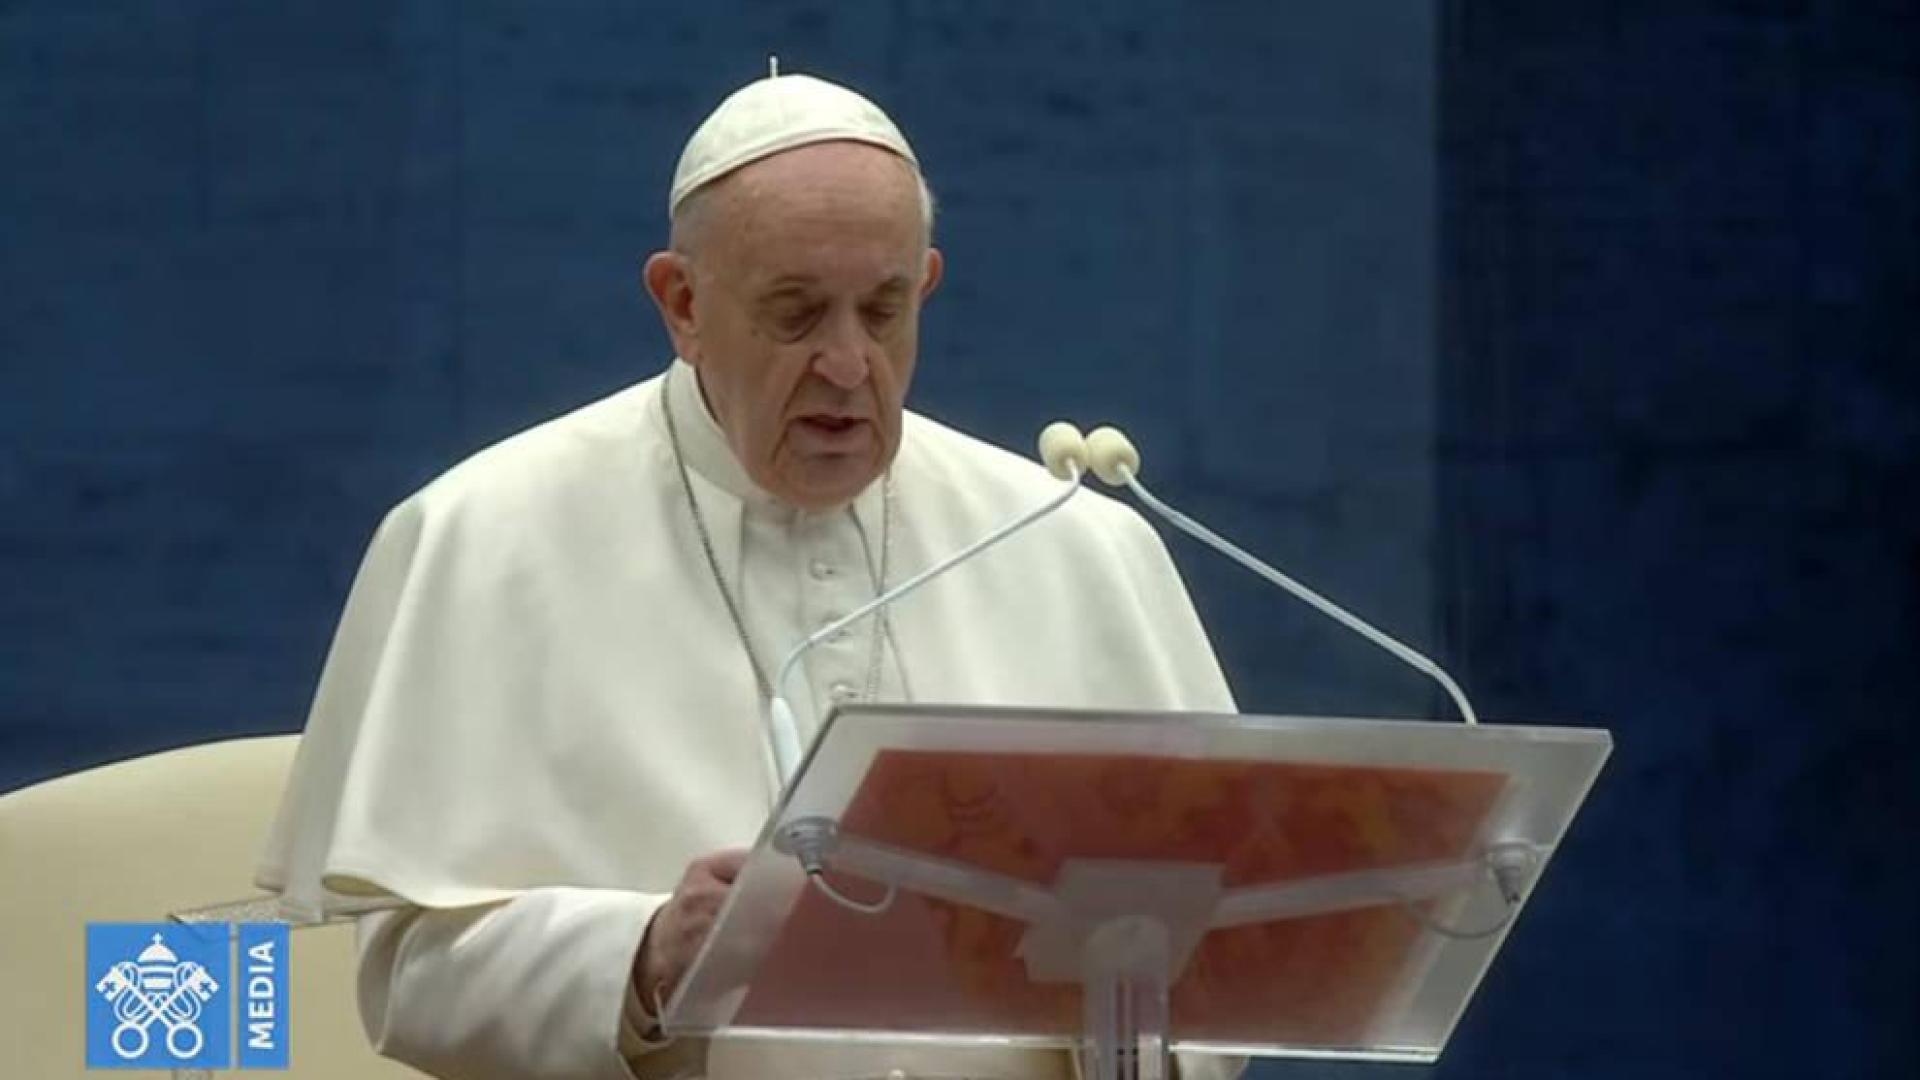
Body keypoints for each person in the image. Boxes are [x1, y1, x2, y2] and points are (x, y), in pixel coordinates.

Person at [257, 68, 1240, 1080]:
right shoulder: (482, 537)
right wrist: (642, 960)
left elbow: (1236, 954)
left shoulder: (1067, 541)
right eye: (797, 313)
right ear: (682, 303)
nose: (850, 365)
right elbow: (411, 977)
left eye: (884, 310)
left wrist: (1126, 997)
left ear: (927, 287)